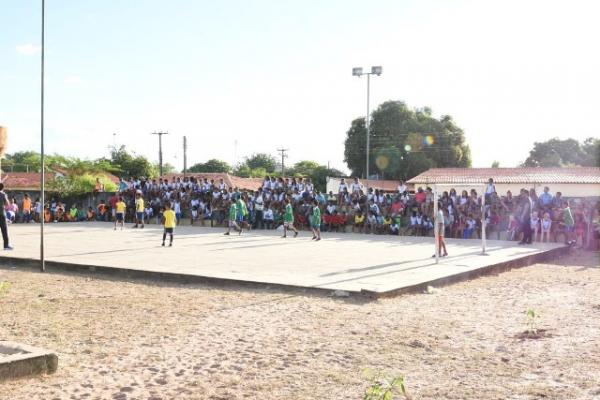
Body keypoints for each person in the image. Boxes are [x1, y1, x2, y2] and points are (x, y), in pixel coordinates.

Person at [0, 183, 12, 250]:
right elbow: (8, 204)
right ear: (2, 188)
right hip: (2, 214)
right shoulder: (3, 194)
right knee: (4, 230)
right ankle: (6, 245)